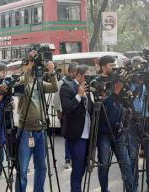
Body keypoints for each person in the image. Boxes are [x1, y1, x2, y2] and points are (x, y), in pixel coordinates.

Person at [16, 50, 58, 192]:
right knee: (22, 168)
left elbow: (54, 87)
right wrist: (29, 65)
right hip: (26, 131)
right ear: (24, 66)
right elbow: (23, 82)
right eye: (27, 65)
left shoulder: (39, 82)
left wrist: (52, 73)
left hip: (41, 130)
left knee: (41, 167)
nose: (31, 67)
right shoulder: (21, 81)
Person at [96, 55, 134, 192]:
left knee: (127, 164)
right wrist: (116, 91)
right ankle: (104, 190)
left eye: (114, 64)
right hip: (103, 132)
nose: (114, 67)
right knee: (104, 164)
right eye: (111, 65)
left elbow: (129, 99)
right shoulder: (98, 81)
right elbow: (103, 106)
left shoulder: (120, 80)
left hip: (119, 130)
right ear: (103, 66)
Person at [126, 56, 149, 192]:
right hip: (132, 123)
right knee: (133, 157)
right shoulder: (127, 84)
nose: (138, 74)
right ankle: (133, 185)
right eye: (135, 68)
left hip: (147, 122)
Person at [59, 64, 93, 192]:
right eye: (85, 76)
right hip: (76, 135)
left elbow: (90, 110)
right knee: (78, 168)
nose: (87, 79)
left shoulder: (88, 88)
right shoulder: (67, 87)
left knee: (84, 166)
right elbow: (67, 108)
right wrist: (79, 95)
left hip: (88, 134)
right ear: (78, 75)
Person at [53, 62, 79, 169]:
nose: (76, 74)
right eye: (75, 72)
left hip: (76, 114)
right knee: (68, 137)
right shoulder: (61, 82)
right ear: (71, 71)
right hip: (66, 114)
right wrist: (58, 110)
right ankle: (68, 159)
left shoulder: (77, 82)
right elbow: (56, 98)